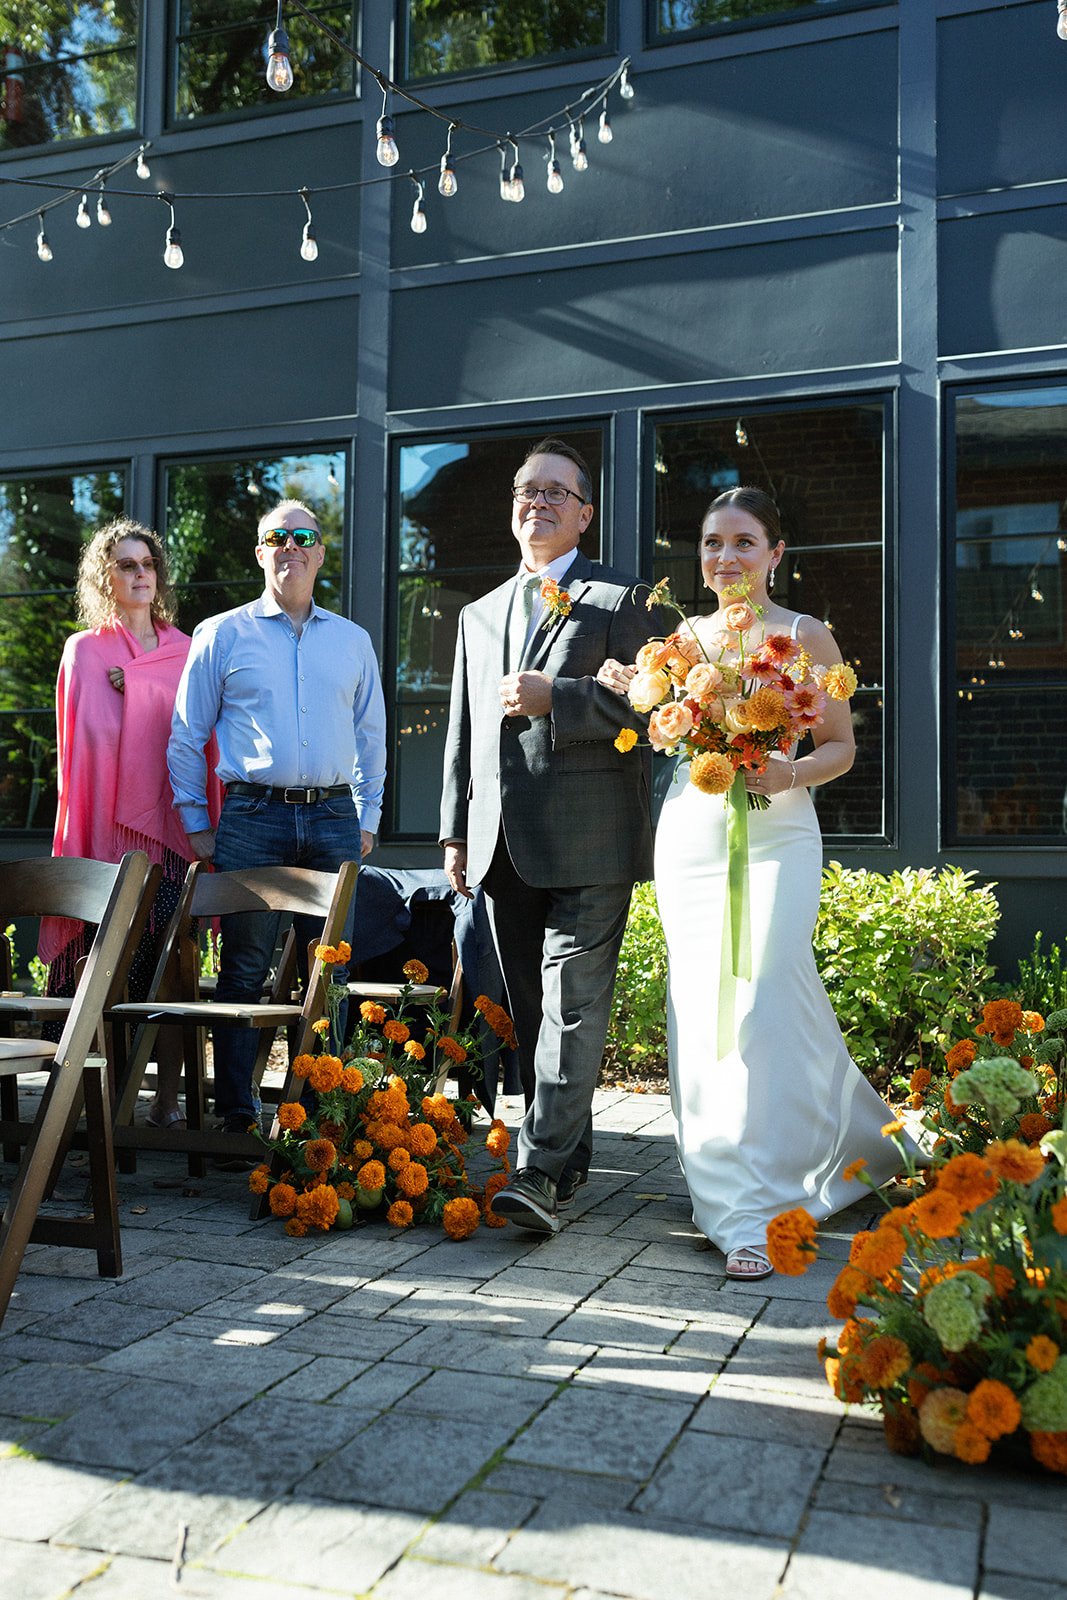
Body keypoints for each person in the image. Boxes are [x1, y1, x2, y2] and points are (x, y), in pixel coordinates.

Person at [598, 486, 905, 1279]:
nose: (724, 558)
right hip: (693, 836)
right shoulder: (681, 643)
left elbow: (839, 746)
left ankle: (805, 1172)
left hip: (778, 833)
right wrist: (638, 690)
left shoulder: (807, 635)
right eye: (710, 544)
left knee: (768, 992)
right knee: (704, 1004)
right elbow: (658, 727)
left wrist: (786, 768)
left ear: (774, 553)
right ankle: (738, 1201)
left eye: (742, 543)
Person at [440, 438, 660, 1233]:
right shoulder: (477, 613)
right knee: (531, 1014)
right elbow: (464, 733)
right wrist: (454, 833)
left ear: (585, 513)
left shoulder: (622, 599)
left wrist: (557, 697)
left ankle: (534, 1172)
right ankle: (564, 1164)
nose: (537, 502)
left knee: (571, 1008)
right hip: (501, 843)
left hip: (593, 837)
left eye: (556, 492)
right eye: (525, 490)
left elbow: (657, 709)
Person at [168, 498, 386, 1144]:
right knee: (243, 970)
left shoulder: (352, 640)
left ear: (320, 552)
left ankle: (327, 1112)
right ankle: (238, 1114)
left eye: (303, 537)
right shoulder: (221, 633)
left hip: (331, 820)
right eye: (276, 537)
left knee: (334, 968)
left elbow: (370, 735)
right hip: (252, 818)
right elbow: (186, 736)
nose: (290, 546)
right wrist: (195, 820)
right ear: (259, 552)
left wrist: (367, 814)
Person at [41, 518, 221, 1129]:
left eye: (147, 564)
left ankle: (170, 1102)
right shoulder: (84, 651)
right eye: (126, 564)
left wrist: (141, 687)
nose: (140, 573)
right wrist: (135, 691)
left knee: (171, 971)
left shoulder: (187, 648)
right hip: (109, 844)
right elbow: (79, 754)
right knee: (111, 968)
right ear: (105, 576)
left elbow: (203, 736)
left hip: (174, 836)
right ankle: (110, 1105)